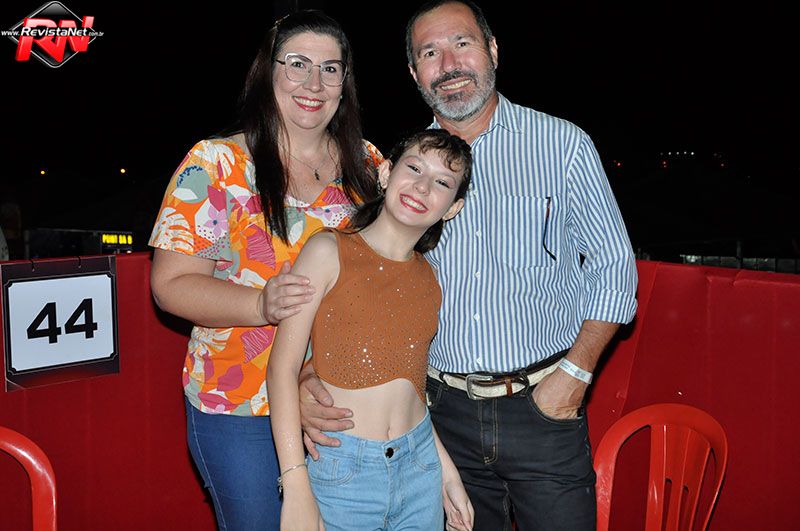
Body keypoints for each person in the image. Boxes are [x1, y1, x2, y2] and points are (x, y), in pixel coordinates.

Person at [299, 1, 639, 530]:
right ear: (414, 72)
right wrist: (310, 372)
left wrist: (573, 378)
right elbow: (358, 284)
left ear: (493, 50)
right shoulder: (406, 170)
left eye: (462, 44)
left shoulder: (562, 145)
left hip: (543, 406)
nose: (449, 64)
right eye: (429, 53)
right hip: (436, 417)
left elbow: (615, 266)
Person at [148, 10, 382, 531]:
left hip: (335, 399)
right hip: (240, 407)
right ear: (267, 71)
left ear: (345, 83)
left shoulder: (369, 166)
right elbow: (170, 285)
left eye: (330, 69)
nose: (313, 83)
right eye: (297, 64)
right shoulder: (216, 164)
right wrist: (260, 303)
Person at [268, 129, 474, 531]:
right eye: (414, 168)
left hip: (421, 469)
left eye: (442, 182)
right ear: (385, 173)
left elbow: (412, 391)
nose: (422, 186)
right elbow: (281, 369)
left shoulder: (430, 279)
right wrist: (294, 484)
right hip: (342, 472)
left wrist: (448, 474)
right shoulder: (326, 251)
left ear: (453, 207)